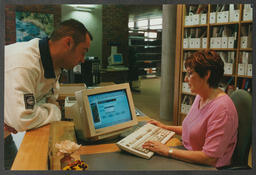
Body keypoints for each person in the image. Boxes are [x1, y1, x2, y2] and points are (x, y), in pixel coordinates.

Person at [4, 19, 93, 169]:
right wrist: (55, 111)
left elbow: (49, 98)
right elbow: (23, 120)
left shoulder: (53, 64)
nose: (83, 60)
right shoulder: (24, 64)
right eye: (83, 52)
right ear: (68, 43)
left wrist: (26, 113)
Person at [143, 50, 238, 169]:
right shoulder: (201, 96)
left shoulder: (222, 109)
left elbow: (209, 158)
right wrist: (164, 127)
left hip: (209, 166)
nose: (185, 79)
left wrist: (168, 151)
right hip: (190, 154)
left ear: (207, 74)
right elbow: (193, 129)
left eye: (189, 74)